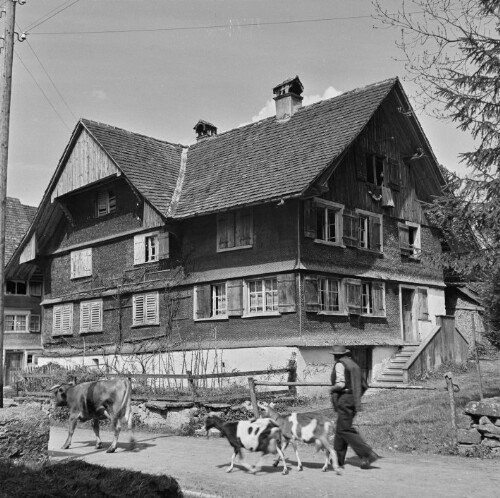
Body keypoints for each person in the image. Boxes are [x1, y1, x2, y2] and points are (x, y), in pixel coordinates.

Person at [330, 345, 379, 469]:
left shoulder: (340, 364)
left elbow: (340, 383)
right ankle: (338, 459)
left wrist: (332, 389)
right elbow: (363, 384)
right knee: (341, 428)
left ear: (336, 355)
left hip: (345, 398)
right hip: (353, 398)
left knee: (344, 429)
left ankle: (367, 453)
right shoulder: (354, 365)